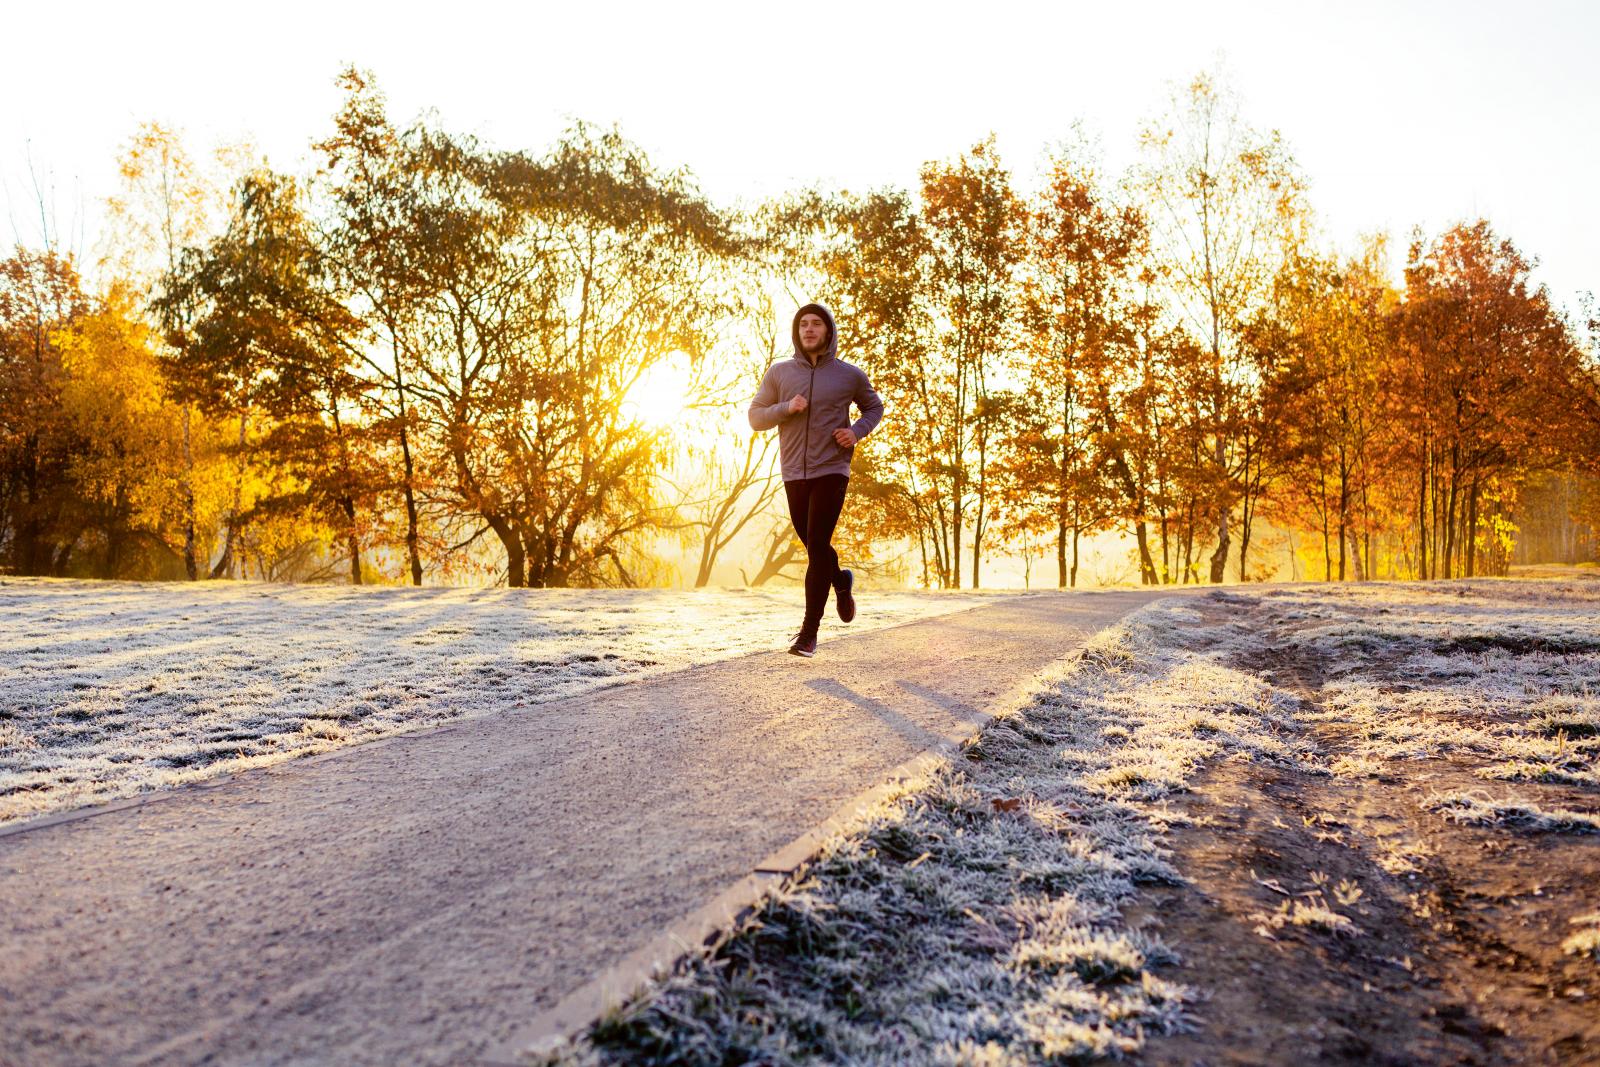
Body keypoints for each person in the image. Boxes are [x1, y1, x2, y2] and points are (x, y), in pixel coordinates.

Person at [748, 303, 884, 657]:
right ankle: (840, 580)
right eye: (803, 324)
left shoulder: (848, 375)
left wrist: (855, 433)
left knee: (818, 541)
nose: (809, 329)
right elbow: (755, 417)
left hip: (832, 469)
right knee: (815, 546)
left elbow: (874, 407)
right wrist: (785, 409)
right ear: (797, 332)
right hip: (794, 471)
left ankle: (809, 633)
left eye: (816, 324)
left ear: (828, 331)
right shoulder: (779, 374)